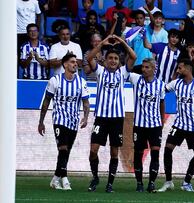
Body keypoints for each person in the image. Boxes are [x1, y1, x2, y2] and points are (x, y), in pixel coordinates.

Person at [86, 35, 136, 193]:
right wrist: (102, 43)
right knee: (93, 150)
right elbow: (89, 57)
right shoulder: (100, 71)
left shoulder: (123, 73)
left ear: (119, 61)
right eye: (110, 58)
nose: (113, 60)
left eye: (116, 58)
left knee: (114, 152)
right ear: (105, 60)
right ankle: (95, 177)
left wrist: (121, 42)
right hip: (101, 118)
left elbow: (133, 56)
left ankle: (110, 184)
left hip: (117, 119)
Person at [157, 58, 194, 193]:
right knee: (167, 149)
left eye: (180, 68)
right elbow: (162, 89)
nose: (178, 70)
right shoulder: (176, 84)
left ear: (188, 69)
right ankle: (168, 182)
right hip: (179, 125)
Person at [38, 53, 90, 190]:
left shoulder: (81, 82)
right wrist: (41, 121)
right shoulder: (55, 80)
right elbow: (46, 101)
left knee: (66, 152)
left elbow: (86, 102)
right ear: (65, 64)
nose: (75, 64)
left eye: (76, 62)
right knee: (63, 148)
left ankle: (55, 179)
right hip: (59, 119)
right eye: (72, 62)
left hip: (73, 121)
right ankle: (65, 180)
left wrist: (86, 117)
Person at [125, 58, 166, 193]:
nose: (143, 69)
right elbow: (124, 69)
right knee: (138, 154)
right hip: (139, 125)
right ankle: (139, 183)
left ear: (154, 69)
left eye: (147, 67)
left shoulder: (160, 85)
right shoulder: (136, 79)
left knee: (155, 153)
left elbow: (161, 103)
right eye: (143, 67)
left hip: (154, 125)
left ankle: (152, 183)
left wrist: (161, 120)